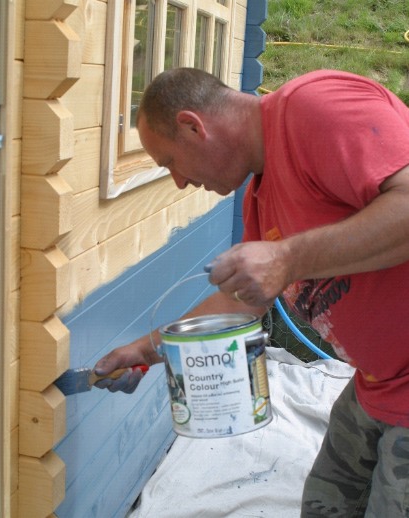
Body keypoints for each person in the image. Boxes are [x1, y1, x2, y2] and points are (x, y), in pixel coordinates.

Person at [93, 67, 409, 517]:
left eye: (169, 164)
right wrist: (144, 349)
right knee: (326, 504)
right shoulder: (261, 198)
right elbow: (241, 305)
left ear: (192, 126)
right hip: (378, 385)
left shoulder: (316, 107)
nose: (179, 182)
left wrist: (287, 259)